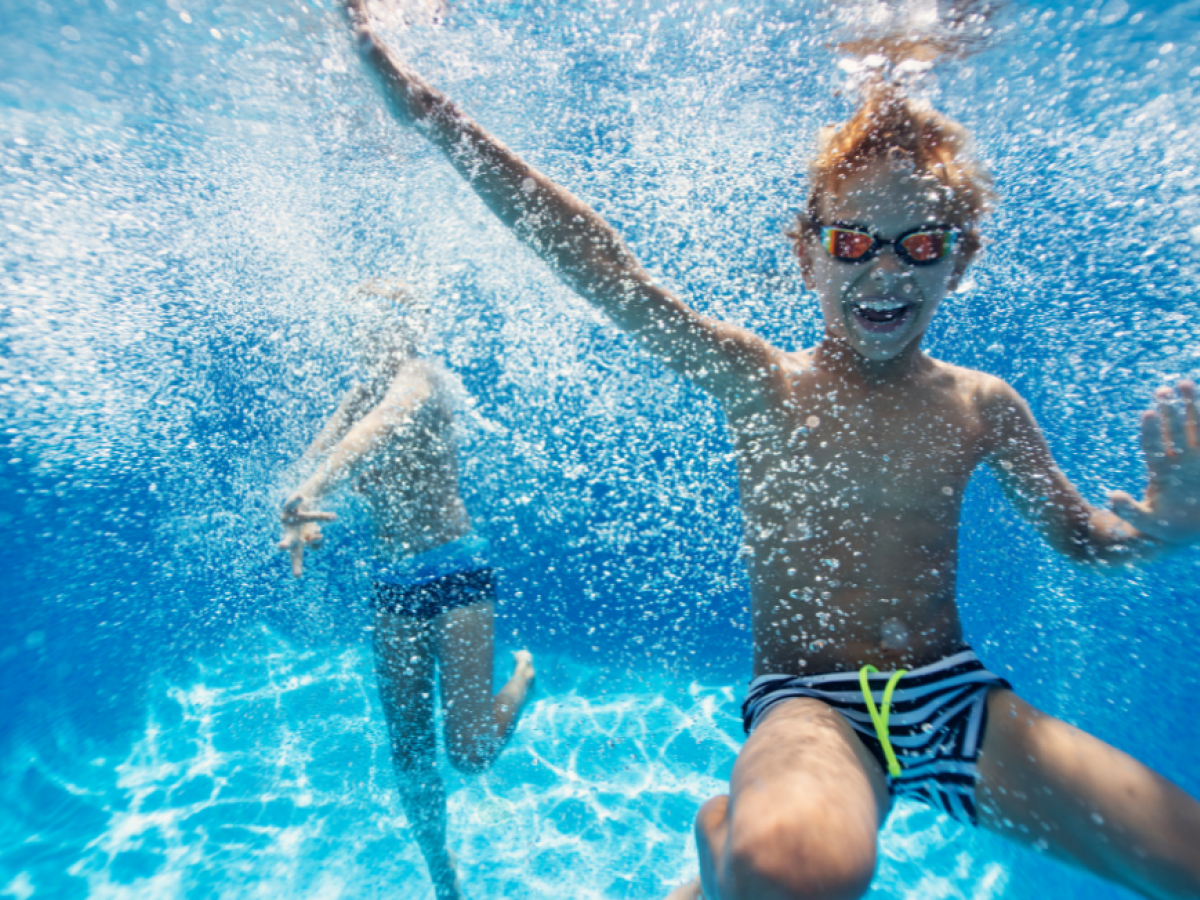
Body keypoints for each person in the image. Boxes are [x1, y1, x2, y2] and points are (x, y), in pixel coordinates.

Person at [338, 5, 1200, 898]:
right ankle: (727, 851)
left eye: (923, 245)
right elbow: (605, 270)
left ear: (959, 258)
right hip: (810, 706)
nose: (887, 272)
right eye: (856, 242)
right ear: (808, 256)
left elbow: (1085, 539)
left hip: (955, 696)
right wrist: (436, 119)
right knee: (784, 872)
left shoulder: (983, 406)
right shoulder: (761, 383)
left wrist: (1164, 530)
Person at [278, 283, 535, 900]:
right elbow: (319, 456)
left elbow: (378, 429)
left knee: (470, 752)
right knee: (411, 752)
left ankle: (525, 677)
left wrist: (314, 488)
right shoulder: (361, 392)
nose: (368, 337)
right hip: (394, 581)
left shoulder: (423, 377)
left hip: (455, 569)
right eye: (360, 326)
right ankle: (442, 873)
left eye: (381, 323)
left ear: (407, 328)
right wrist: (303, 509)